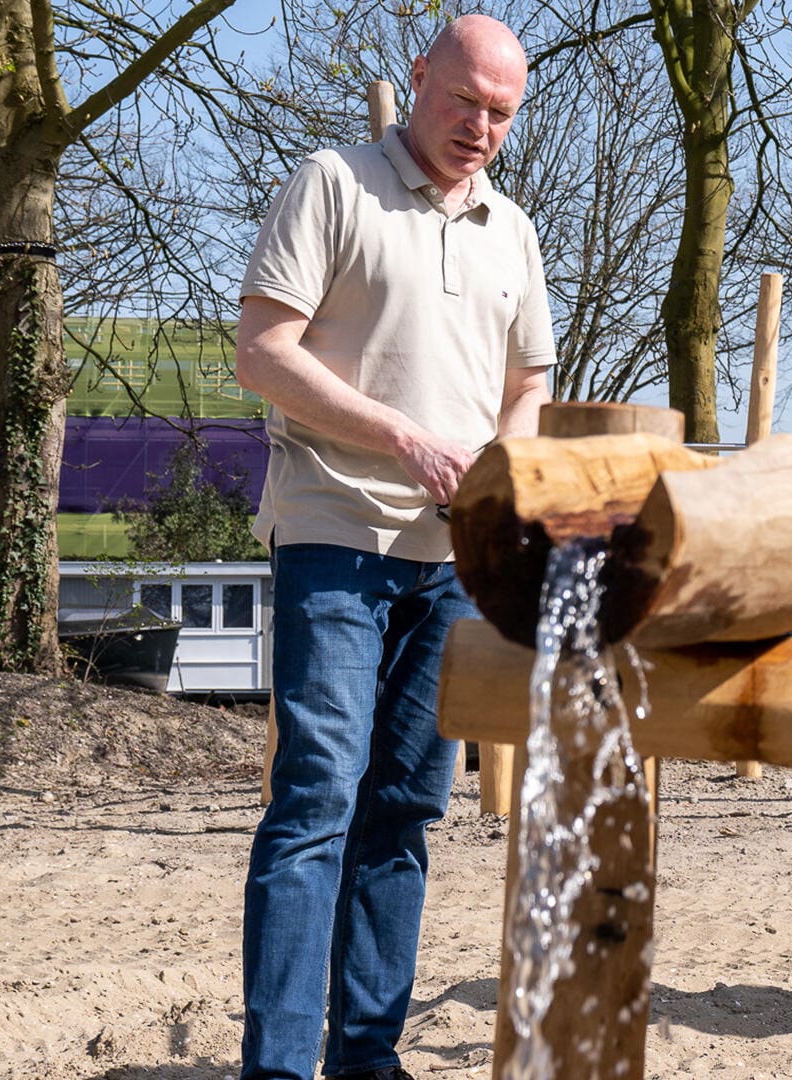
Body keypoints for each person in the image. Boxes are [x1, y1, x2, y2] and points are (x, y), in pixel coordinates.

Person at [232, 15, 554, 1080]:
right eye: (463, 101)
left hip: (449, 558)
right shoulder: (332, 183)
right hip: (335, 532)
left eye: (501, 113)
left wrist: (500, 479)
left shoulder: (513, 227)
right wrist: (403, 435)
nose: (480, 126)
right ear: (420, 80)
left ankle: (367, 1056)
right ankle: (279, 1064)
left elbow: (529, 386)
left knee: (409, 806)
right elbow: (263, 353)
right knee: (319, 790)